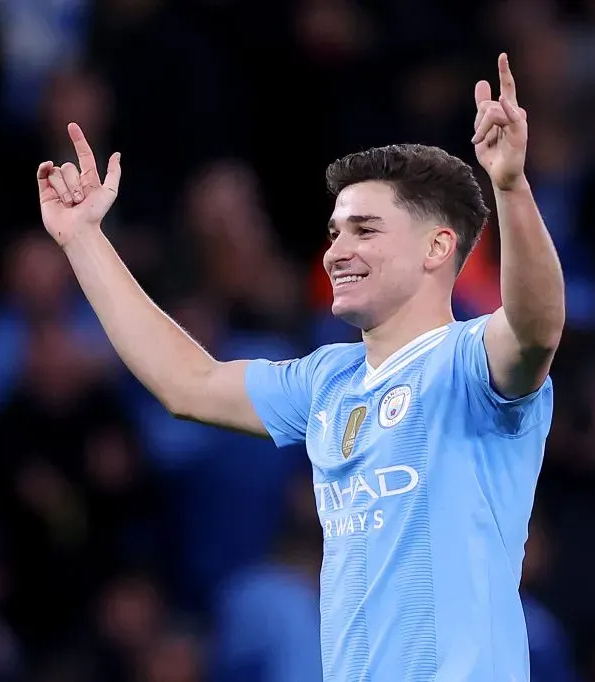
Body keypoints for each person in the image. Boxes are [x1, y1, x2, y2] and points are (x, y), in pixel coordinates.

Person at [34, 53, 564, 682]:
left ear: (437, 247)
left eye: (364, 230)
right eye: (335, 232)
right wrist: (83, 239)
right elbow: (187, 383)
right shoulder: (325, 381)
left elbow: (537, 326)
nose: (337, 251)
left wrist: (510, 187)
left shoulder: (470, 364)